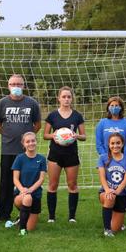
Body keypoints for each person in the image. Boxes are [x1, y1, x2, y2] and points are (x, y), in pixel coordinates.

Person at [0, 74, 41, 224]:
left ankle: (24, 211)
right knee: (6, 183)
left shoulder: (32, 103)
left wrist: (26, 140)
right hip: (8, 150)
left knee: (26, 182)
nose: (16, 87)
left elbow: (37, 124)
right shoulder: (1, 104)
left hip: (26, 153)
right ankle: (4, 214)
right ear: (8, 86)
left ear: (23, 86)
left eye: (19, 84)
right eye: (13, 84)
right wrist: (9, 136)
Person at [43, 86, 86, 223]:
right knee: (52, 185)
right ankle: (51, 217)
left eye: (69, 97)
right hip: (55, 154)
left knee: (72, 184)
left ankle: (72, 217)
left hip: (71, 154)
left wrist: (75, 135)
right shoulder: (53, 115)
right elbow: (45, 135)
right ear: (59, 98)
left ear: (72, 99)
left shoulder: (77, 116)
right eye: (64, 97)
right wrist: (54, 135)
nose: (66, 99)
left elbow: (84, 136)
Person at [97, 133, 126, 237]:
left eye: (118, 143)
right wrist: (108, 190)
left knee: (116, 229)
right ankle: (107, 230)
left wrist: (116, 191)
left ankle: (118, 222)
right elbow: (102, 177)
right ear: (108, 145)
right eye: (112, 143)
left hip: (122, 194)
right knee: (110, 197)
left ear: (122, 144)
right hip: (106, 192)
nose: (115, 146)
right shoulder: (103, 158)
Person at [11, 131, 47, 235]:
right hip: (21, 195)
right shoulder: (20, 158)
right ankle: (22, 230)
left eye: (33, 141)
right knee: (27, 198)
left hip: (35, 195)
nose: (31, 143)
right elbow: (15, 179)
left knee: (31, 227)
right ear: (23, 144)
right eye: (28, 141)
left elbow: (41, 179)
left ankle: (21, 219)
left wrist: (30, 190)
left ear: (36, 142)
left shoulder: (41, 159)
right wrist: (23, 190)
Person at [95, 95, 126, 167]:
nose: (114, 107)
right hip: (106, 160)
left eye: (116, 105)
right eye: (112, 105)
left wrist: (122, 158)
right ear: (108, 107)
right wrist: (105, 157)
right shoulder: (102, 123)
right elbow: (99, 143)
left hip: (122, 160)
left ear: (121, 108)